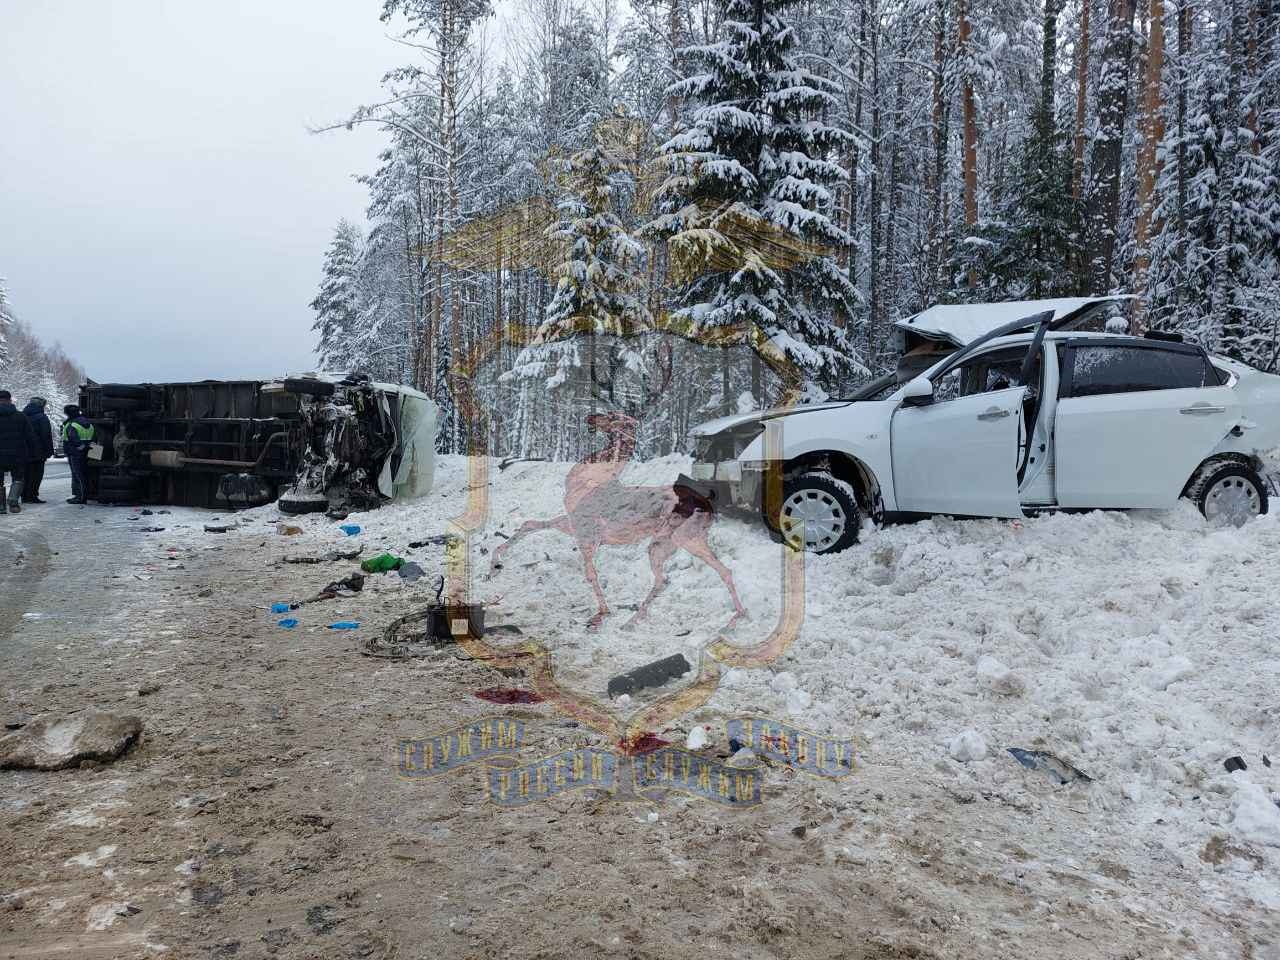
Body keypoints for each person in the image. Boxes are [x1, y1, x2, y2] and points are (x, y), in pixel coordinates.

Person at [0, 390, 38, 513]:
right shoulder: (21, 416)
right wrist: (34, 452)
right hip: (18, 454)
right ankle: (13, 502)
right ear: (10, 400)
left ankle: (0, 506)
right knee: (18, 478)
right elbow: (30, 436)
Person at [22, 396, 54, 503]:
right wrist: (49, 451)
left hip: (24, 451)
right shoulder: (41, 417)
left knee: (25, 474)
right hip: (38, 452)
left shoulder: (22, 415)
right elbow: (46, 436)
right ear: (41, 405)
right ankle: (32, 496)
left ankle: (24, 495)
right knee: (36, 475)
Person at [61, 404, 95, 505]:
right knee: (84, 474)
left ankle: (80, 497)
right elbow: (94, 439)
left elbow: (74, 439)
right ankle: (81, 495)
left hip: (75, 453)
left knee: (78, 475)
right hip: (88, 452)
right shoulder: (88, 423)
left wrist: (80, 449)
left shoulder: (72, 424)